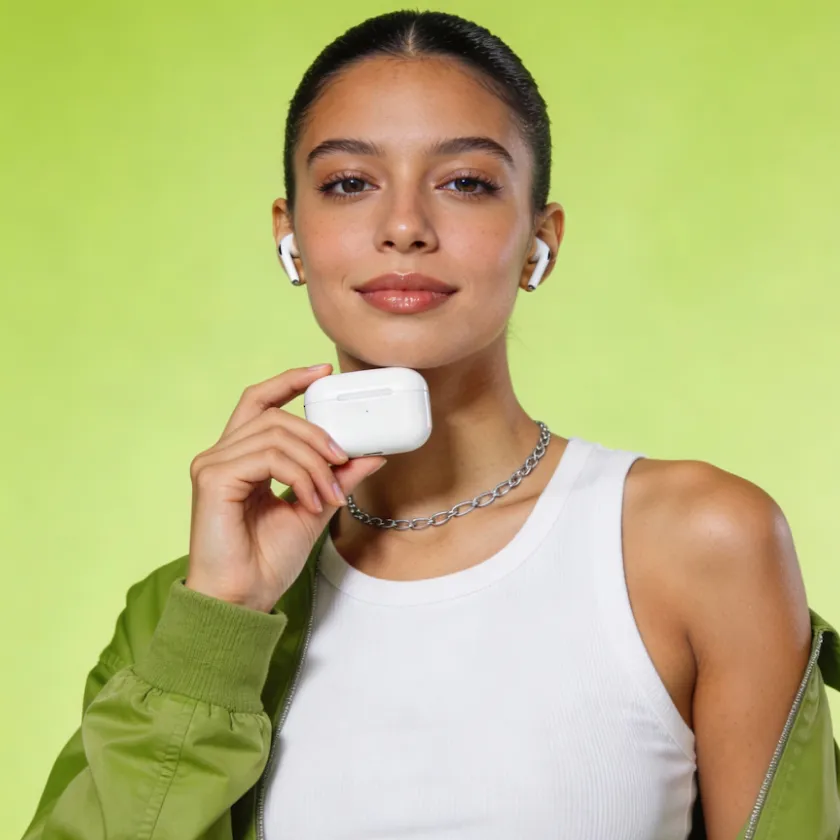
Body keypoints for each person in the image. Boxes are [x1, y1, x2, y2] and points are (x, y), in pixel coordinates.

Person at [22, 9, 840, 840]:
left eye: (465, 183)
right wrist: (221, 623)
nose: (405, 227)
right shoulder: (189, 611)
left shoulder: (700, 542)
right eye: (348, 182)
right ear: (291, 236)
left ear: (538, 243)